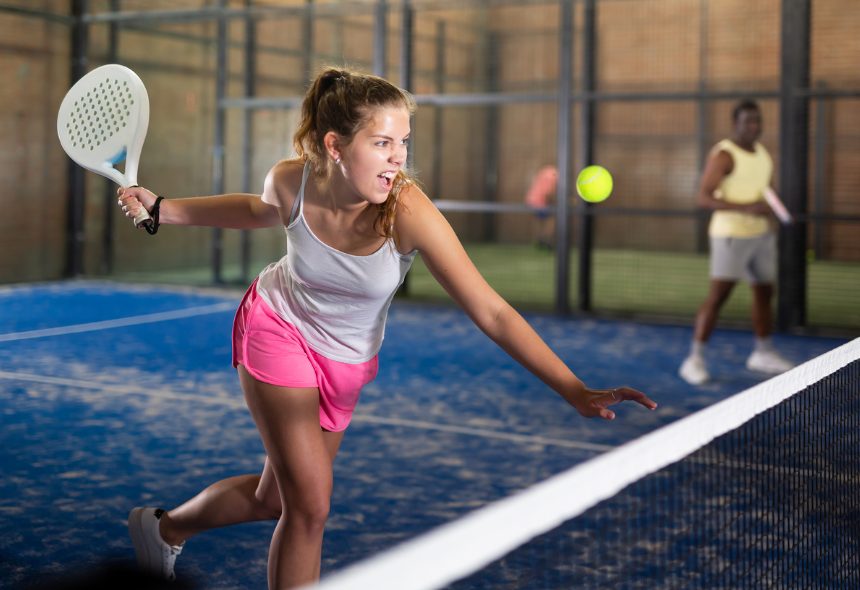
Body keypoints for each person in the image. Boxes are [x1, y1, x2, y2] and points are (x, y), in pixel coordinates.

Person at [118, 67, 657, 589]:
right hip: (278, 328)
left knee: (275, 500)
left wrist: (574, 389)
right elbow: (257, 210)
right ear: (335, 146)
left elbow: (491, 311)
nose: (398, 155)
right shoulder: (292, 180)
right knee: (310, 507)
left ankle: (165, 528)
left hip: (346, 361)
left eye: (403, 141)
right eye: (382, 142)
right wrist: (163, 208)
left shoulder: (408, 212)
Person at [679, 99, 794, 385]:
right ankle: (694, 359)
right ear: (736, 124)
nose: (754, 126)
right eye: (748, 121)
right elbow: (704, 197)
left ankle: (763, 353)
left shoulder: (763, 155)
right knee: (719, 296)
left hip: (761, 235)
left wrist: (772, 206)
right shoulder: (724, 155)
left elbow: (763, 190)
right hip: (730, 235)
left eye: (758, 121)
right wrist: (747, 208)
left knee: (765, 292)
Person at [524, 165, 558, 249]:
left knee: (540, 220)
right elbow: (548, 192)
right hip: (540, 202)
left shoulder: (545, 170)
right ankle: (547, 241)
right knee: (552, 219)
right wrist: (554, 202)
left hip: (531, 200)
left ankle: (539, 240)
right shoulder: (555, 174)